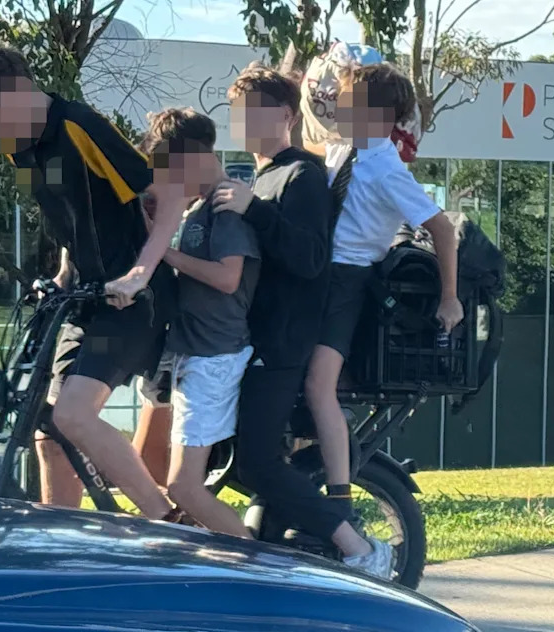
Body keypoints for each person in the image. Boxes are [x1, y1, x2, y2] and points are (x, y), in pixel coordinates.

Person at [0, 42, 192, 522]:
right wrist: (64, 272)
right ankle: (61, 542)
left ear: (20, 91)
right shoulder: (17, 148)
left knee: (73, 415)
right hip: (84, 299)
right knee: (50, 433)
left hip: (134, 302)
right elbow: (67, 215)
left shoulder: (79, 126)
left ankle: (169, 522)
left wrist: (141, 273)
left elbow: (170, 195)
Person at [212, 62, 392, 575]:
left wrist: (253, 209)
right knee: (234, 458)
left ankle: (358, 549)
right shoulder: (262, 177)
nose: (246, 120)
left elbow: (311, 259)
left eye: (257, 111)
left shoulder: (302, 176)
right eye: (239, 112)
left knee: (257, 463)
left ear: (288, 117)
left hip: (283, 342)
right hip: (250, 340)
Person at [303, 63, 464, 548]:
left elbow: (442, 230)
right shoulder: (343, 150)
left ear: (378, 114)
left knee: (319, 386)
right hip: (316, 277)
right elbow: (307, 144)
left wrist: (450, 298)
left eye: (348, 101)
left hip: (347, 281)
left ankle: (340, 496)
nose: (339, 107)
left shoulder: (387, 168)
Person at [139, 107, 259, 538]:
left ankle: (253, 562)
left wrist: (164, 254)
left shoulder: (225, 208)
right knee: (151, 467)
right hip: (192, 352)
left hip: (214, 356)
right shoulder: (198, 208)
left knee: (183, 487)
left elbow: (228, 278)